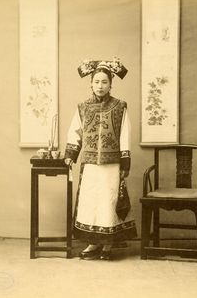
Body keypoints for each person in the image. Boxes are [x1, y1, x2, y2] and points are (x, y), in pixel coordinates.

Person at [64, 58, 137, 260]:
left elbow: (125, 134)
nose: (100, 86)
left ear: (111, 84)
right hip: (90, 165)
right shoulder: (83, 107)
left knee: (108, 202)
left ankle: (107, 245)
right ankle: (92, 243)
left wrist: (125, 162)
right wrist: (70, 154)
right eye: (96, 81)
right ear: (91, 83)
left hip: (111, 165)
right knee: (90, 202)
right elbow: (75, 132)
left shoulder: (120, 106)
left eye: (104, 82)